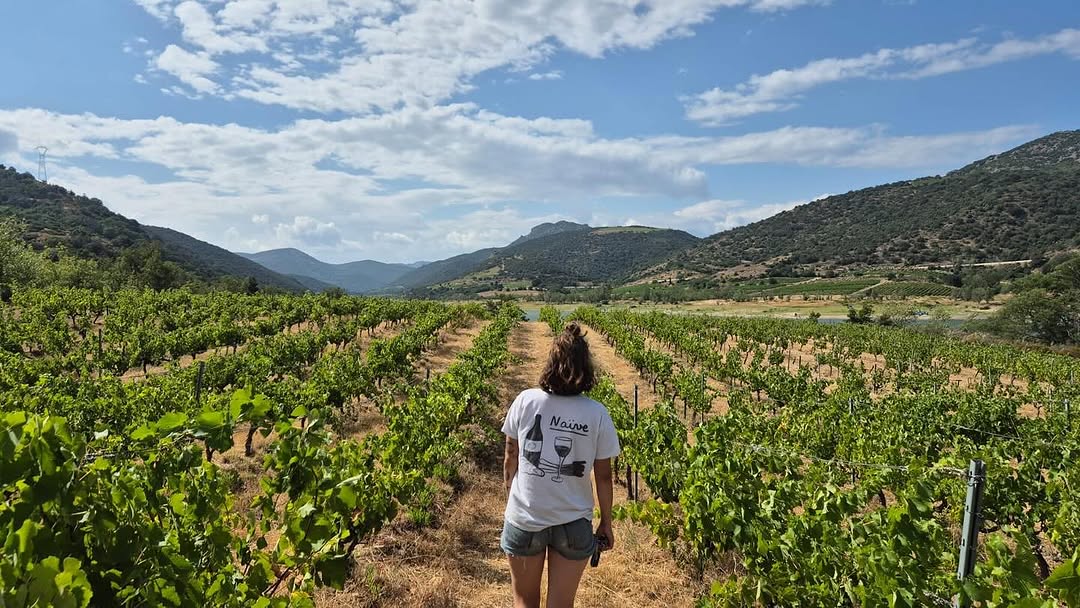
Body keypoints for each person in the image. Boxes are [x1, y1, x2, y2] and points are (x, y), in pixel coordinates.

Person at [501, 323, 620, 608]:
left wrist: (511, 502)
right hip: (573, 523)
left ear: (551, 363)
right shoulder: (597, 414)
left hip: (526, 518)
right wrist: (606, 522)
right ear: (586, 367)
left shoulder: (525, 401)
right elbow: (604, 477)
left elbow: (510, 457)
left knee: (524, 601)